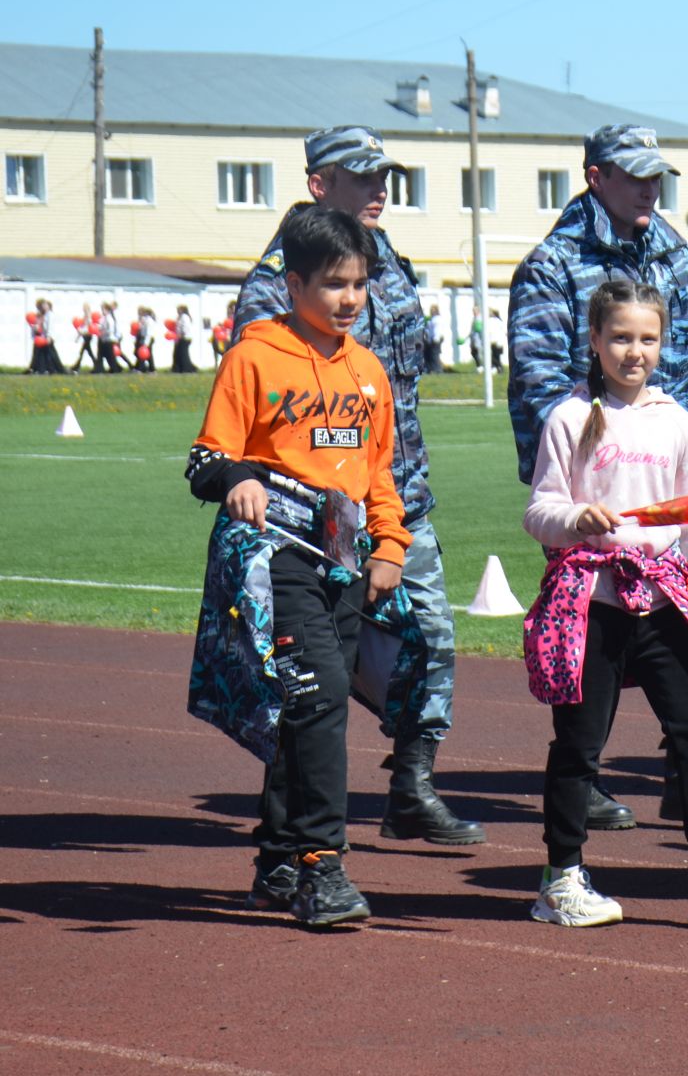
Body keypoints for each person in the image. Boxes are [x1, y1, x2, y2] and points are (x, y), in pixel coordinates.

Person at [236, 126, 483, 847]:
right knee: (313, 673)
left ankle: (411, 786)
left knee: (429, 643)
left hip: (400, 496)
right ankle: (289, 828)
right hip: (312, 519)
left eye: (386, 177)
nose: (380, 188)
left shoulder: (389, 263)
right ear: (319, 183)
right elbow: (266, 413)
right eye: (362, 175)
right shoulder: (276, 284)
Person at [521, 278, 688, 928]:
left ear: (662, 343)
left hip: (667, 599)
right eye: (619, 338)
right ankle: (561, 879)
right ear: (594, 340)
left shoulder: (676, 421)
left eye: (647, 339)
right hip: (593, 601)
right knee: (580, 743)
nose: (633, 352)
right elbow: (539, 510)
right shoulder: (568, 417)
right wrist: (576, 517)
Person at [184, 204, 408, 926]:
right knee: (318, 699)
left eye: (360, 284)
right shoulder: (253, 357)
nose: (350, 299)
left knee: (312, 706)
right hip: (276, 559)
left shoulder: (370, 371)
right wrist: (239, 476)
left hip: (345, 564)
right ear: (293, 282)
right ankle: (322, 867)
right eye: (335, 284)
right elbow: (205, 461)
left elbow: (380, 476)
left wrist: (390, 547)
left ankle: (277, 861)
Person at [510, 123, 688, 832]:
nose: (649, 188)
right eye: (634, 175)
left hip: (670, 472)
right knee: (593, 651)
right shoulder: (554, 262)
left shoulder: (672, 252)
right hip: (589, 492)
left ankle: (687, 782)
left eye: (655, 176)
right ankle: (585, 790)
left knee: (678, 644)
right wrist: (589, 473)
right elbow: (539, 378)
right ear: (595, 174)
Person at [170, 304, 197, 373]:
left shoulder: (184, 317)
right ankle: (179, 368)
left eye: (179, 309)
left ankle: (187, 368)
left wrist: (181, 334)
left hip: (185, 337)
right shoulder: (180, 317)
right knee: (179, 354)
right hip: (180, 337)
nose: (177, 311)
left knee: (184, 354)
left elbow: (185, 327)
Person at [424, 304, 444, 374]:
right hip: (432, 339)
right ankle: (432, 369)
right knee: (431, 355)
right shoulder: (432, 319)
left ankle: (437, 369)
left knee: (434, 355)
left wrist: (435, 338)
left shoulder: (437, 319)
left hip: (436, 338)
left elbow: (436, 330)